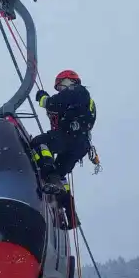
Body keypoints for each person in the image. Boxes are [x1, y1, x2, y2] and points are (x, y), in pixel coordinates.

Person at [31, 69, 96, 198]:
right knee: (59, 173)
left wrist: (43, 98)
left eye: (61, 86)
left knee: (39, 143)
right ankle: (67, 204)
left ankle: (50, 176)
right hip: (80, 145)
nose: (60, 90)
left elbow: (54, 103)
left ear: (69, 81)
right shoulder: (84, 101)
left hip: (70, 136)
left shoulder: (78, 90)